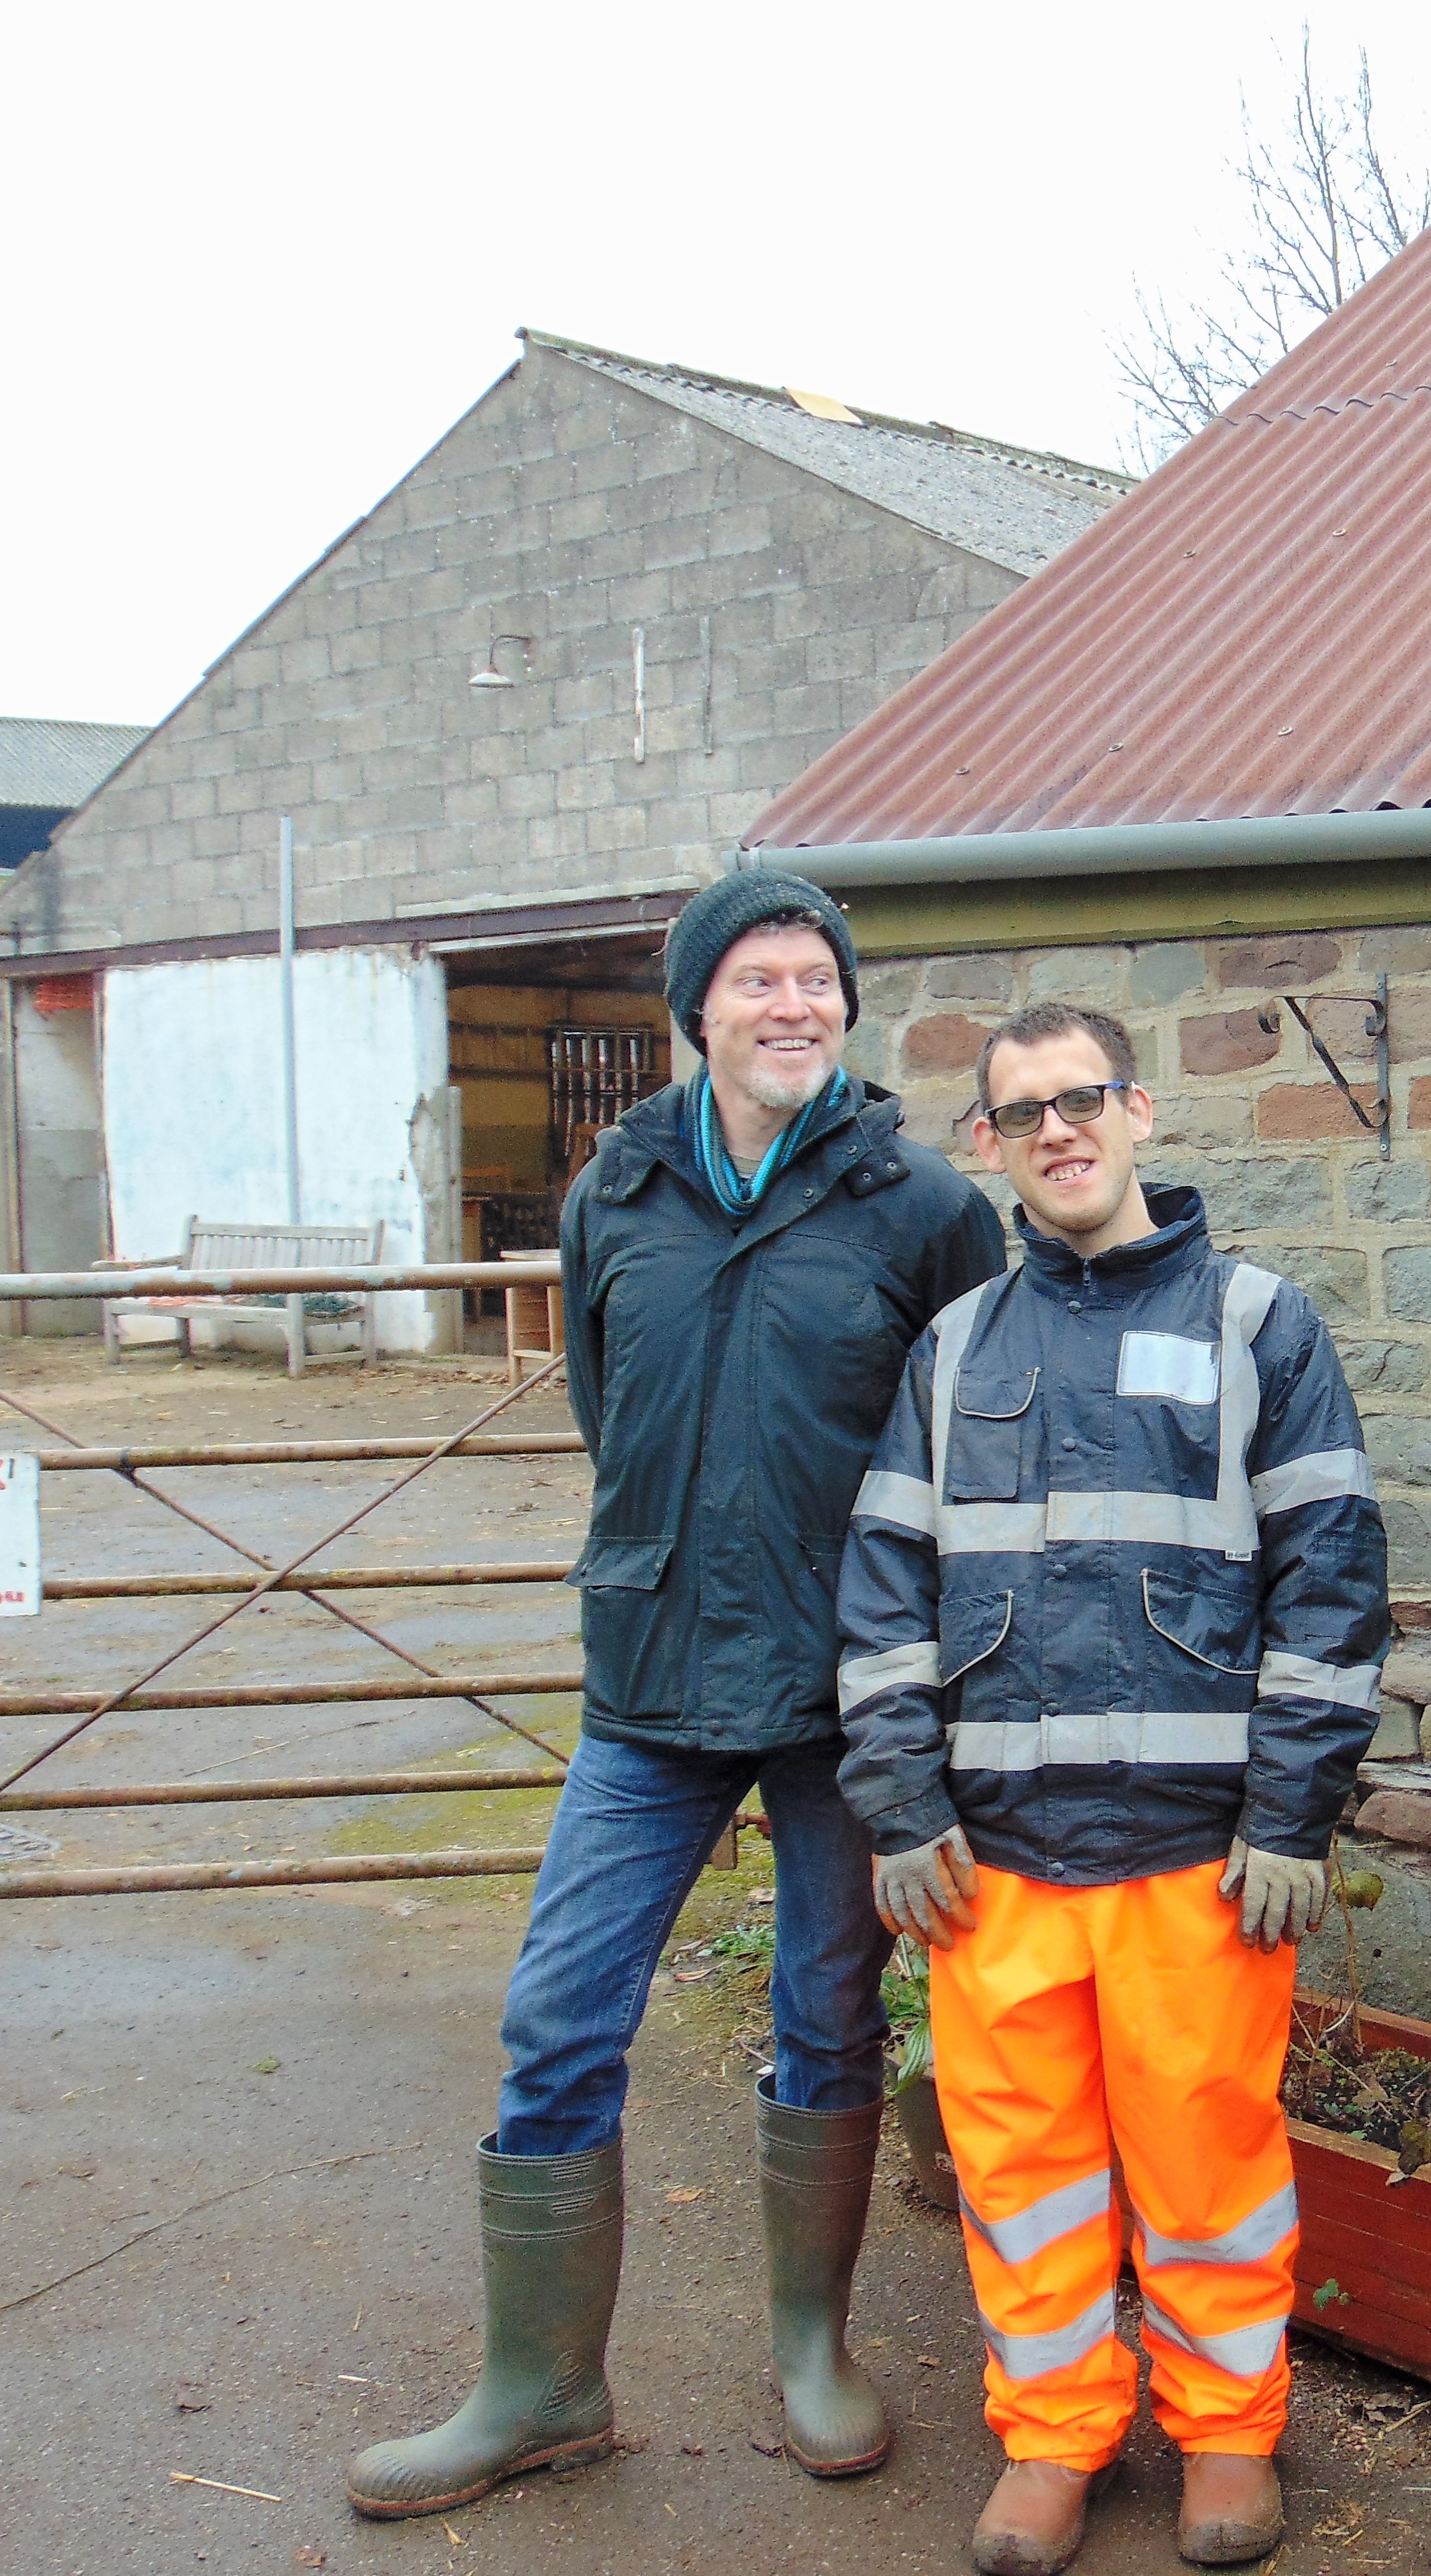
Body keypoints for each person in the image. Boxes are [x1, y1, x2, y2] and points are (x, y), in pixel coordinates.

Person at [347, 871, 1004, 2519]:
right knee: (558, 2015)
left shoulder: (921, 1207)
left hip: (847, 1688)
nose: (794, 1005)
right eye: (758, 978)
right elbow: (608, 1409)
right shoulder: (618, 1189)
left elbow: (973, 1460)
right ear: (696, 1009)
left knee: (826, 2011)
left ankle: (811, 2348)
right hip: (650, 1676)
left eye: (816, 980)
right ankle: (540, 2389)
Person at [836, 1003, 1390, 2576]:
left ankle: (1226, 2434)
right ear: (988, 1145)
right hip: (993, 1864)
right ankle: (1053, 2437)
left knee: (1208, 2162)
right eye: (1021, 1113)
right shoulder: (955, 1349)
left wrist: (1290, 1814)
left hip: (1191, 1859)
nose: (1056, 1131)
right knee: (1020, 2175)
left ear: (1138, 1110)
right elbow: (882, 1584)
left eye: (1080, 1099)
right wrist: (900, 1800)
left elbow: (1331, 1581)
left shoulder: (1257, 1325)